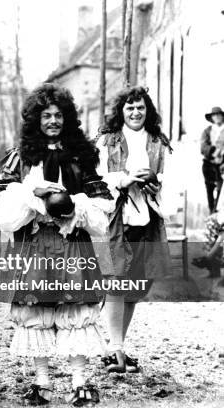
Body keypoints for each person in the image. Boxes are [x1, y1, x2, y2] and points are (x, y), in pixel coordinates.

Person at [0, 83, 113, 406]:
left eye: (58, 115)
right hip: (35, 244)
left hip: (72, 243)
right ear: (35, 120)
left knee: (75, 308)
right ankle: (42, 382)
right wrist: (32, 196)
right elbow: (1, 211)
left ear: (67, 118)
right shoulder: (21, 157)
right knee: (37, 309)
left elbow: (102, 212)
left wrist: (73, 205)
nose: (53, 121)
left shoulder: (82, 156)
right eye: (46, 115)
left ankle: (79, 381)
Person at [96, 86, 172, 374]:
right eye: (130, 108)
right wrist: (124, 180)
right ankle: (115, 347)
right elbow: (96, 178)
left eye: (140, 108)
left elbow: (170, 177)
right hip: (117, 217)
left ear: (147, 111)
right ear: (121, 111)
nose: (135, 113)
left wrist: (155, 180)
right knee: (116, 279)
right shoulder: (107, 141)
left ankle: (118, 346)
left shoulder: (158, 142)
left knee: (136, 284)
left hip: (147, 218)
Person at [200, 107, 224, 213]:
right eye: (214, 115)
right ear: (211, 118)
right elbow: (203, 147)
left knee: (221, 190)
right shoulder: (207, 131)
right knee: (209, 189)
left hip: (222, 165)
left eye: (219, 114)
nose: (217, 117)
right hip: (209, 164)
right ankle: (212, 214)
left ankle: (218, 216)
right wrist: (213, 151)